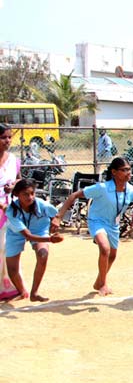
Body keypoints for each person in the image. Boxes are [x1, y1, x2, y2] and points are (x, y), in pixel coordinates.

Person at [54, 157, 133, 296]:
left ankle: (99, 281)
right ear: (114, 172)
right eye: (124, 170)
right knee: (105, 249)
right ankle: (103, 284)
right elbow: (74, 195)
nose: (128, 172)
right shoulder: (102, 188)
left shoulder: (131, 191)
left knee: (112, 255)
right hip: (97, 221)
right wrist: (58, 217)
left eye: (129, 169)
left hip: (114, 225)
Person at [1, 179, 64, 302]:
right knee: (12, 269)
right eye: (25, 194)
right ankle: (22, 291)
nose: (30, 197)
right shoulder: (12, 211)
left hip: (39, 230)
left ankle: (34, 293)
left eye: (32, 193)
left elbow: (58, 214)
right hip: (16, 234)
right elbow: (27, 235)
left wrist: (56, 220)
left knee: (43, 254)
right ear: (17, 195)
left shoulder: (42, 204)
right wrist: (50, 239)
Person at [0, 123, 21, 295]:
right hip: (2, 206)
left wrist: (14, 185)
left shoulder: (13, 159)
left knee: (7, 246)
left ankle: (8, 285)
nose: (7, 141)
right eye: (3, 137)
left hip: (9, 209)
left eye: (9, 137)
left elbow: (20, 180)